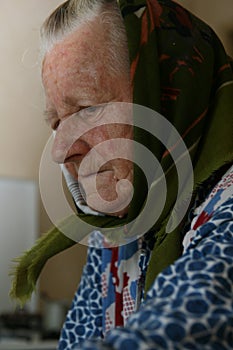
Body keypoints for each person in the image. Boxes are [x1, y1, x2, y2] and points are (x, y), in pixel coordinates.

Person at [10, 0, 233, 349]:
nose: (60, 151)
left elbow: (186, 325)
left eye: (87, 108)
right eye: (56, 121)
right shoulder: (115, 231)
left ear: (167, 93)